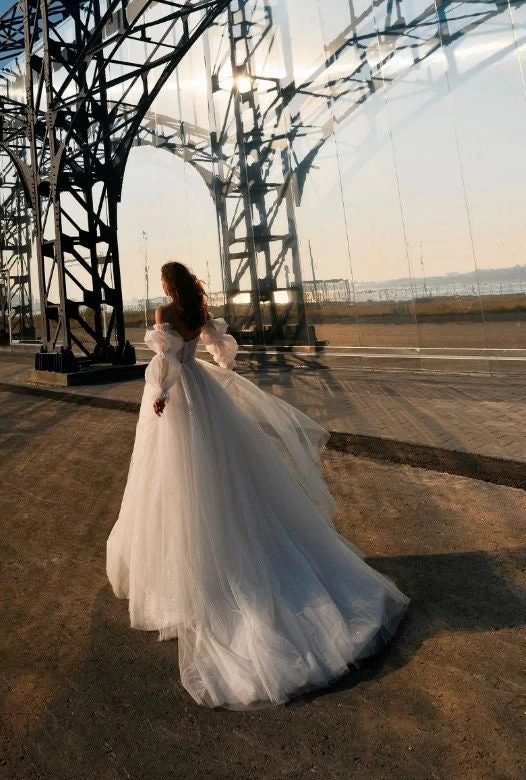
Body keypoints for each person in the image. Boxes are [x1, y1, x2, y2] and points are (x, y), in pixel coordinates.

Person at [106, 260, 409, 710]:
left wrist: (163, 395)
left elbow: (164, 363)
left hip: (177, 400)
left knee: (172, 483)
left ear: (169, 285)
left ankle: (194, 575)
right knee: (224, 477)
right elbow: (222, 353)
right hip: (205, 398)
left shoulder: (164, 314)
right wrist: (217, 369)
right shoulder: (198, 316)